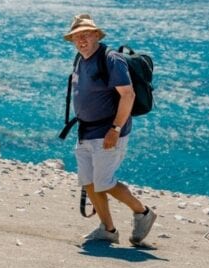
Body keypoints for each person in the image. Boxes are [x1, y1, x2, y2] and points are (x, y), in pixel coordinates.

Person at [63, 13, 156, 245]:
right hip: (85, 131)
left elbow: (128, 94)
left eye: (85, 34)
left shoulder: (111, 59)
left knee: (104, 181)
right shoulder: (80, 59)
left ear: (96, 34)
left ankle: (143, 213)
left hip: (108, 132)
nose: (81, 40)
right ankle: (108, 229)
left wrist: (115, 129)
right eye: (76, 36)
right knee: (88, 180)